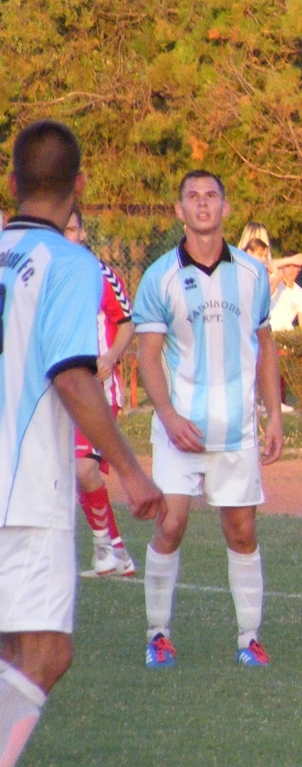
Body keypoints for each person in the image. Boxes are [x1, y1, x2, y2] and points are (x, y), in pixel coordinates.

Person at [0, 120, 164, 767]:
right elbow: (72, 375)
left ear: (11, 183)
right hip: (24, 490)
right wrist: (130, 469)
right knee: (47, 652)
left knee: (12, 650)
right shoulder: (68, 263)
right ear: (80, 186)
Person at [132, 170, 284, 669]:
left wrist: (273, 416)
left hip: (236, 430)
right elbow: (148, 355)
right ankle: (158, 635)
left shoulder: (252, 274)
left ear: (225, 207)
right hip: (179, 430)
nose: (202, 204)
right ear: (179, 210)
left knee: (241, 531)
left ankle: (249, 638)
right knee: (171, 524)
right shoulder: (159, 277)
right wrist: (169, 416)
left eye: (211, 196)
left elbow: (265, 344)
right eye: (193, 197)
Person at [63, 207, 139, 577]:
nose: (67, 236)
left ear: (82, 234)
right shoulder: (46, 276)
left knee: (82, 467)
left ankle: (103, 550)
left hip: (98, 389)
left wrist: (109, 357)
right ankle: (117, 551)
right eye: (61, 229)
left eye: (72, 229)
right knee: (71, 470)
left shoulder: (100, 273)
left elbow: (126, 323)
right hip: (60, 389)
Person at [267, 252, 302, 332]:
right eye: (287, 266)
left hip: (285, 334)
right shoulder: (273, 281)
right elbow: (266, 265)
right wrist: (291, 260)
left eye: (295, 266)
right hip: (266, 330)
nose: (291, 271)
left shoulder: (301, 294)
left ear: (299, 268)